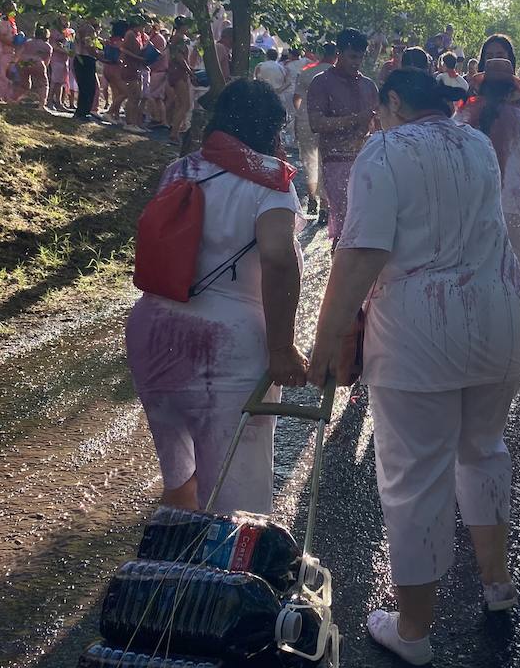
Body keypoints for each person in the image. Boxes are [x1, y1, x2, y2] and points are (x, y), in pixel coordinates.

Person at [306, 68, 520, 666]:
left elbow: (362, 251)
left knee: (415, 476)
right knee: (484, 449)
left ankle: (413, 631)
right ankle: (497, 585)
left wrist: (326, 339)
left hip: (420, 331)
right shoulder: (476, 143)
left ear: (392, 102)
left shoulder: (384, 148)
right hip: (502, 317)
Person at [125, 79, 307, 512]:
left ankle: (172, 573)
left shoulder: (180, 169)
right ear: (271, 129)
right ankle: (224, 577)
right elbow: (279, 257)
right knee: (237, 502)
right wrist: (281, 348)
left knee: (180, 479)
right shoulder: (271, 179)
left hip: (154, 334)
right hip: (226, 350)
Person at [459, 58, 520, 336]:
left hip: (472, 206)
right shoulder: (518, 120)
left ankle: (473, 329)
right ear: (510, 91)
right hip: (513, 207)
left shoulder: (465, 114)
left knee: (474, 266)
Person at [306, 27, 379, 244]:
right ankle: (339, 272)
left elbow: (379, 125)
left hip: (367, 161)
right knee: (345, 226)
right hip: (336, 161)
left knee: (368, 224)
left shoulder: (368, 85)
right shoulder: (322, 82)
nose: (357, 62)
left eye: (361, 57)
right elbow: (316, 123)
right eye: (352, 57)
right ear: (339, 53)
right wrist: (357, 118)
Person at [295, 43, 335, 221]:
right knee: (325, 161)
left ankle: (312, 198)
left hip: (305, 120)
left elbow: (297, 99)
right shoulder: (337, 75)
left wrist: (300, 115)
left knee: (309, 161)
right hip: (329, 121)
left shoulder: (307, 72)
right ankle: (325, 206)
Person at [72, 17, 101, 121]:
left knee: (86, 87)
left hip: (81, 58)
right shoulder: (88, 28)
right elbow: (88, 44)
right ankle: (82, 112)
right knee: (88, 87)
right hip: (85, 58)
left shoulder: (82, 28)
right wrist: (98, 55)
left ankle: (82, 112)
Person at [0, 2, 20, 102]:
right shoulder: (3, 21)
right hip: (3, 52)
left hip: (11, 53)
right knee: (2, 74)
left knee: (10, 75)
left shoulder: (12, 22)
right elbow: (2, 37)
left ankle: (8, 96)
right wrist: (14, 44)